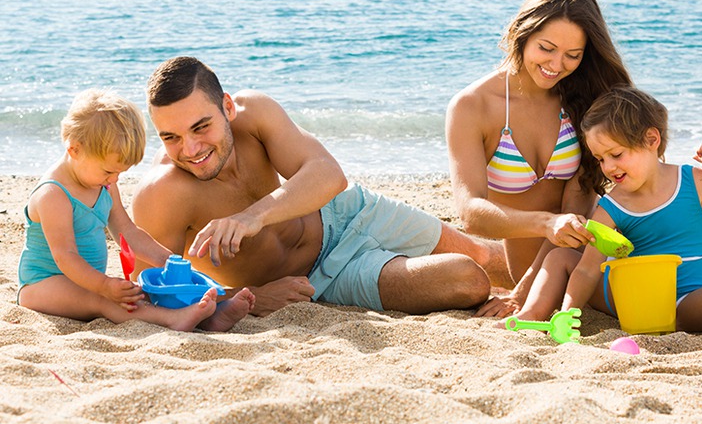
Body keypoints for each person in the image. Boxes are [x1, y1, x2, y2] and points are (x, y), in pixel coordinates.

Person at [447, 0, 702, 318]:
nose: (556, 65)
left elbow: (582, 193)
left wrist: (528, 283)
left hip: (626, 231)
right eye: (546, 48)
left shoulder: (585, 95)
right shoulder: (472, 106)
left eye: (573, 55)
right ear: (521, 33)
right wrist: (544, 232)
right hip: (562, 266)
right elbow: (471, 212)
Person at [131, 56, 498, 316]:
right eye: (170, 137)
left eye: (200, 127)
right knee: (468, 278)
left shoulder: (253, 113)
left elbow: (329, 175)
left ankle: (536, 288)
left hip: (345, 211)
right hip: (324, 278)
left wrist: (251, 217)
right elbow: (149, 295)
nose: (190, 149)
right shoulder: (162, 194)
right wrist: (251, 296)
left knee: (482, 254)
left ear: (227, 107)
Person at [510, 87, 702, 346]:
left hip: (690, 301)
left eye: (616, 154)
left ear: (651, 139)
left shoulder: (695, 181)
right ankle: (531, 316)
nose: (608, 167)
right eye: (600, 159)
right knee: (560, 257)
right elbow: (587, 270)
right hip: (634, 306)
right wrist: (569, 314)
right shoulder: (611, 206)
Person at [17, 89, 254, 332]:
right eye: (109, 171)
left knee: (143, 293)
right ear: (74, 150)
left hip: (87, 282)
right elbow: (65, 256)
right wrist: (104, 286)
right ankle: (173, 320)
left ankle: (209, 318)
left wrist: (166, 260)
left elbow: (127, 232)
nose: (114, 179)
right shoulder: (53, 195)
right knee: (104, 301)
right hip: (43, 285)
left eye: (120, 172)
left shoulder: (104, 184)